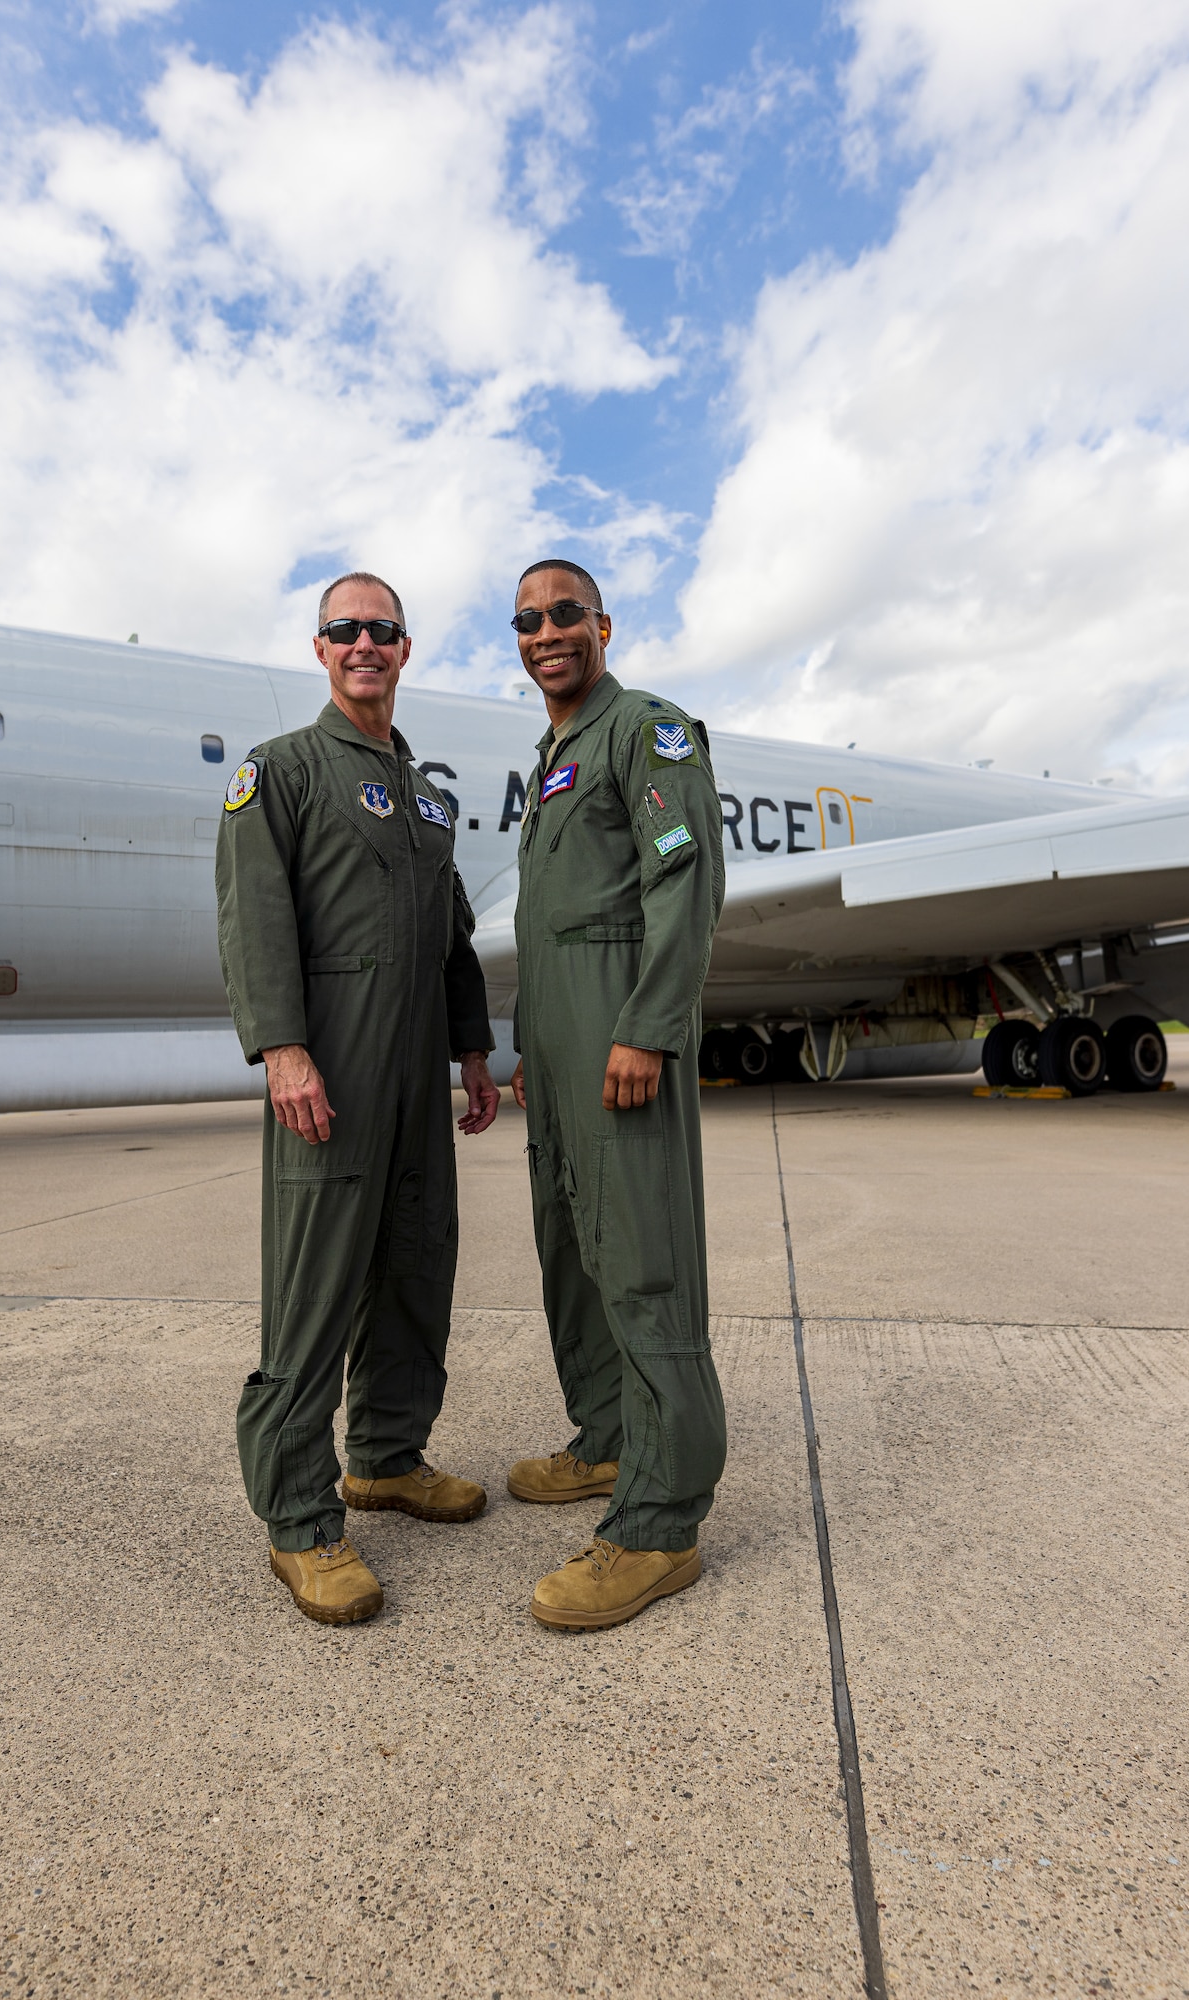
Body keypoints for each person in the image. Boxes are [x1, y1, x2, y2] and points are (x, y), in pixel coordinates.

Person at [216, 571, 500, 1626]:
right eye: (345, 630)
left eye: (381, 629)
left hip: (419, 1075)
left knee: (416, 1265)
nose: (364, 643)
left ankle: (386, 1456)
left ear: (406, 648)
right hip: (328, 1073)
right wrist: (283, 1051)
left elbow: (453, 935)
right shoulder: (279, 772)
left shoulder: (427, 793)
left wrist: (473, 1050)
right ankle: (299, 1518)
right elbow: (254, 921)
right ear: (320, 647)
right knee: (315, 1286)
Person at [506, 558, 727, 1630]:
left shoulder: (646, 727)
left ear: (600, 623)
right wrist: (521, 1049)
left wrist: (647, 1023)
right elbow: (548, 923)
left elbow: (682, 876)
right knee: (573, 1251)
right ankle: (606, 1439)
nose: (544, 631)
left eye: (562, 613)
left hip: (618, 1036)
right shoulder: (554, 755)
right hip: (556, 1057)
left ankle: (660, 1520)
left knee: (641, 1263)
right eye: (526, 619)